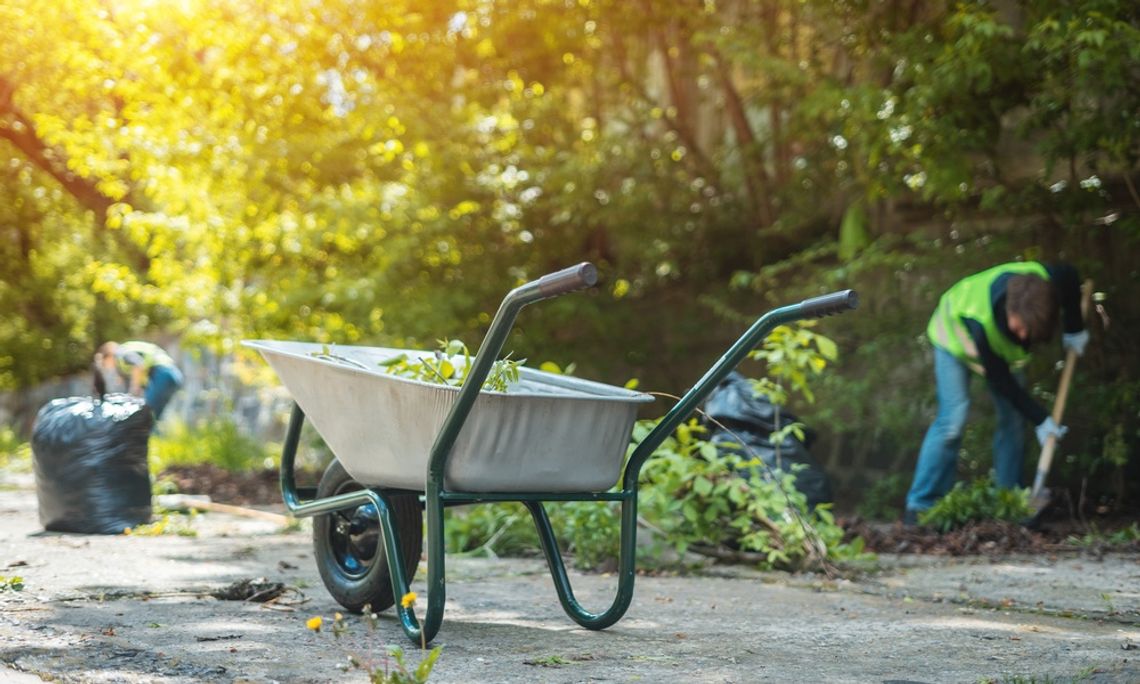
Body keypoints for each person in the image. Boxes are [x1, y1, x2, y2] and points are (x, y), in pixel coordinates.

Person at [903, 261, 1088, 525]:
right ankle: (920, 507)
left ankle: (1009, 505)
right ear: (1009, 309)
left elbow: (1071, 276)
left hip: (1000, 355)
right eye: (1019, 328)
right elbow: (1000, 379)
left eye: (1029, 330)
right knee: (952, 422)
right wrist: (1041, 418)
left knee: (1012, 421)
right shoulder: (980, 319)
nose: (1024, 335)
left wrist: (1074, 329)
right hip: (953, 336)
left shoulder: (1048, 284)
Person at [94, 340, 184, 423]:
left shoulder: (120, 352)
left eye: (105, 364)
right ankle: (154, 437)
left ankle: (145, 438)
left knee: (147, 412)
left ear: (109, 355)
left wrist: (133, 390)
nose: (108, 368)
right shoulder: (124, 355)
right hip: (172, 373)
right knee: (154, 414)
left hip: (163, 373)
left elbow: (138, 364)